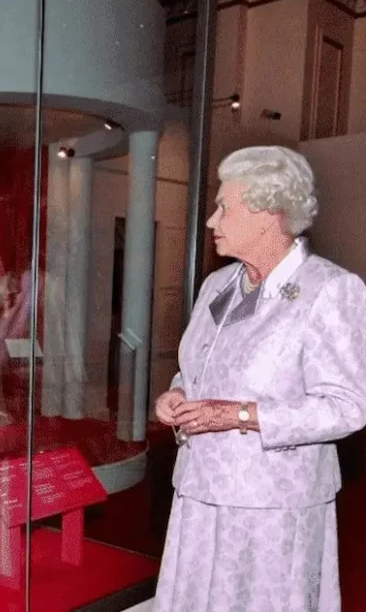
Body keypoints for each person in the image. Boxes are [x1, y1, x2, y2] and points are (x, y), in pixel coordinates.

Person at [153, 145, 366, 611]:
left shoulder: (329, 290)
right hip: (200, 490)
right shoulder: (218, 285)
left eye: (224, 206)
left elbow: (347, 405)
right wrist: (177, 392)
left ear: (268, 214)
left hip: (273, 506)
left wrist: (240, 415)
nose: (212, 220)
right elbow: (203, 366)